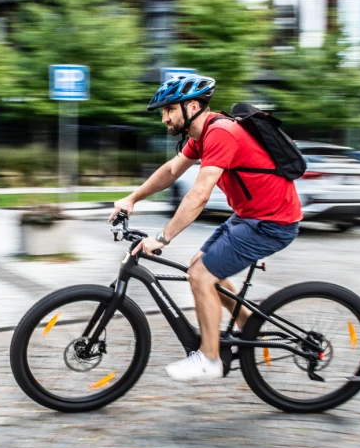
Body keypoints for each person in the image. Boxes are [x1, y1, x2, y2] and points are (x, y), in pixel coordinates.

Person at [110, 74, 302, 381]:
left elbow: (199, 195)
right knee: (199, 268)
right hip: (249, 216)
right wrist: (132, 198)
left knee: (201, 276)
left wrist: (163, 237)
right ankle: (253, 330)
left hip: (271, 222)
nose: (164, 118)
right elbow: (171, 171)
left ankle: (210, 359)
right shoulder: (202, 136)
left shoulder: (221, 133)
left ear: (192, 106)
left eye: (168, 110)